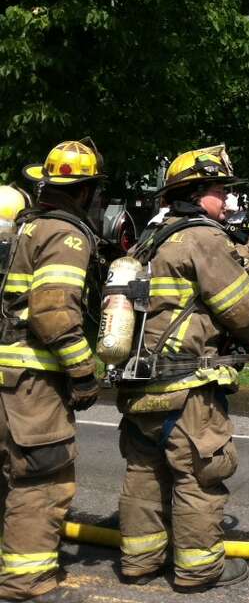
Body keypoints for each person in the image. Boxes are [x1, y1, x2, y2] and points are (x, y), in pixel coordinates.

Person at [116, 145, 249, 590]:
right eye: (221, 191)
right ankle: (198, 569)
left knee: (144, 476)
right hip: (187, 386)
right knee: (199, 475)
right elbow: (241, 312)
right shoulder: (204, 238)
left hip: (140, 382)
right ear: (198, 193)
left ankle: (139, 564)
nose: (228, 202)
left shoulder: (149, 240)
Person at [0, 141, 105, 603]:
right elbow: (53, 312)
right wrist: (82, 372)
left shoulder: (22, 228)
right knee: (40, 479)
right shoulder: (66, 235)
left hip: (5, 375)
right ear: (83, 192)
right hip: (32, 383)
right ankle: (27, 580)